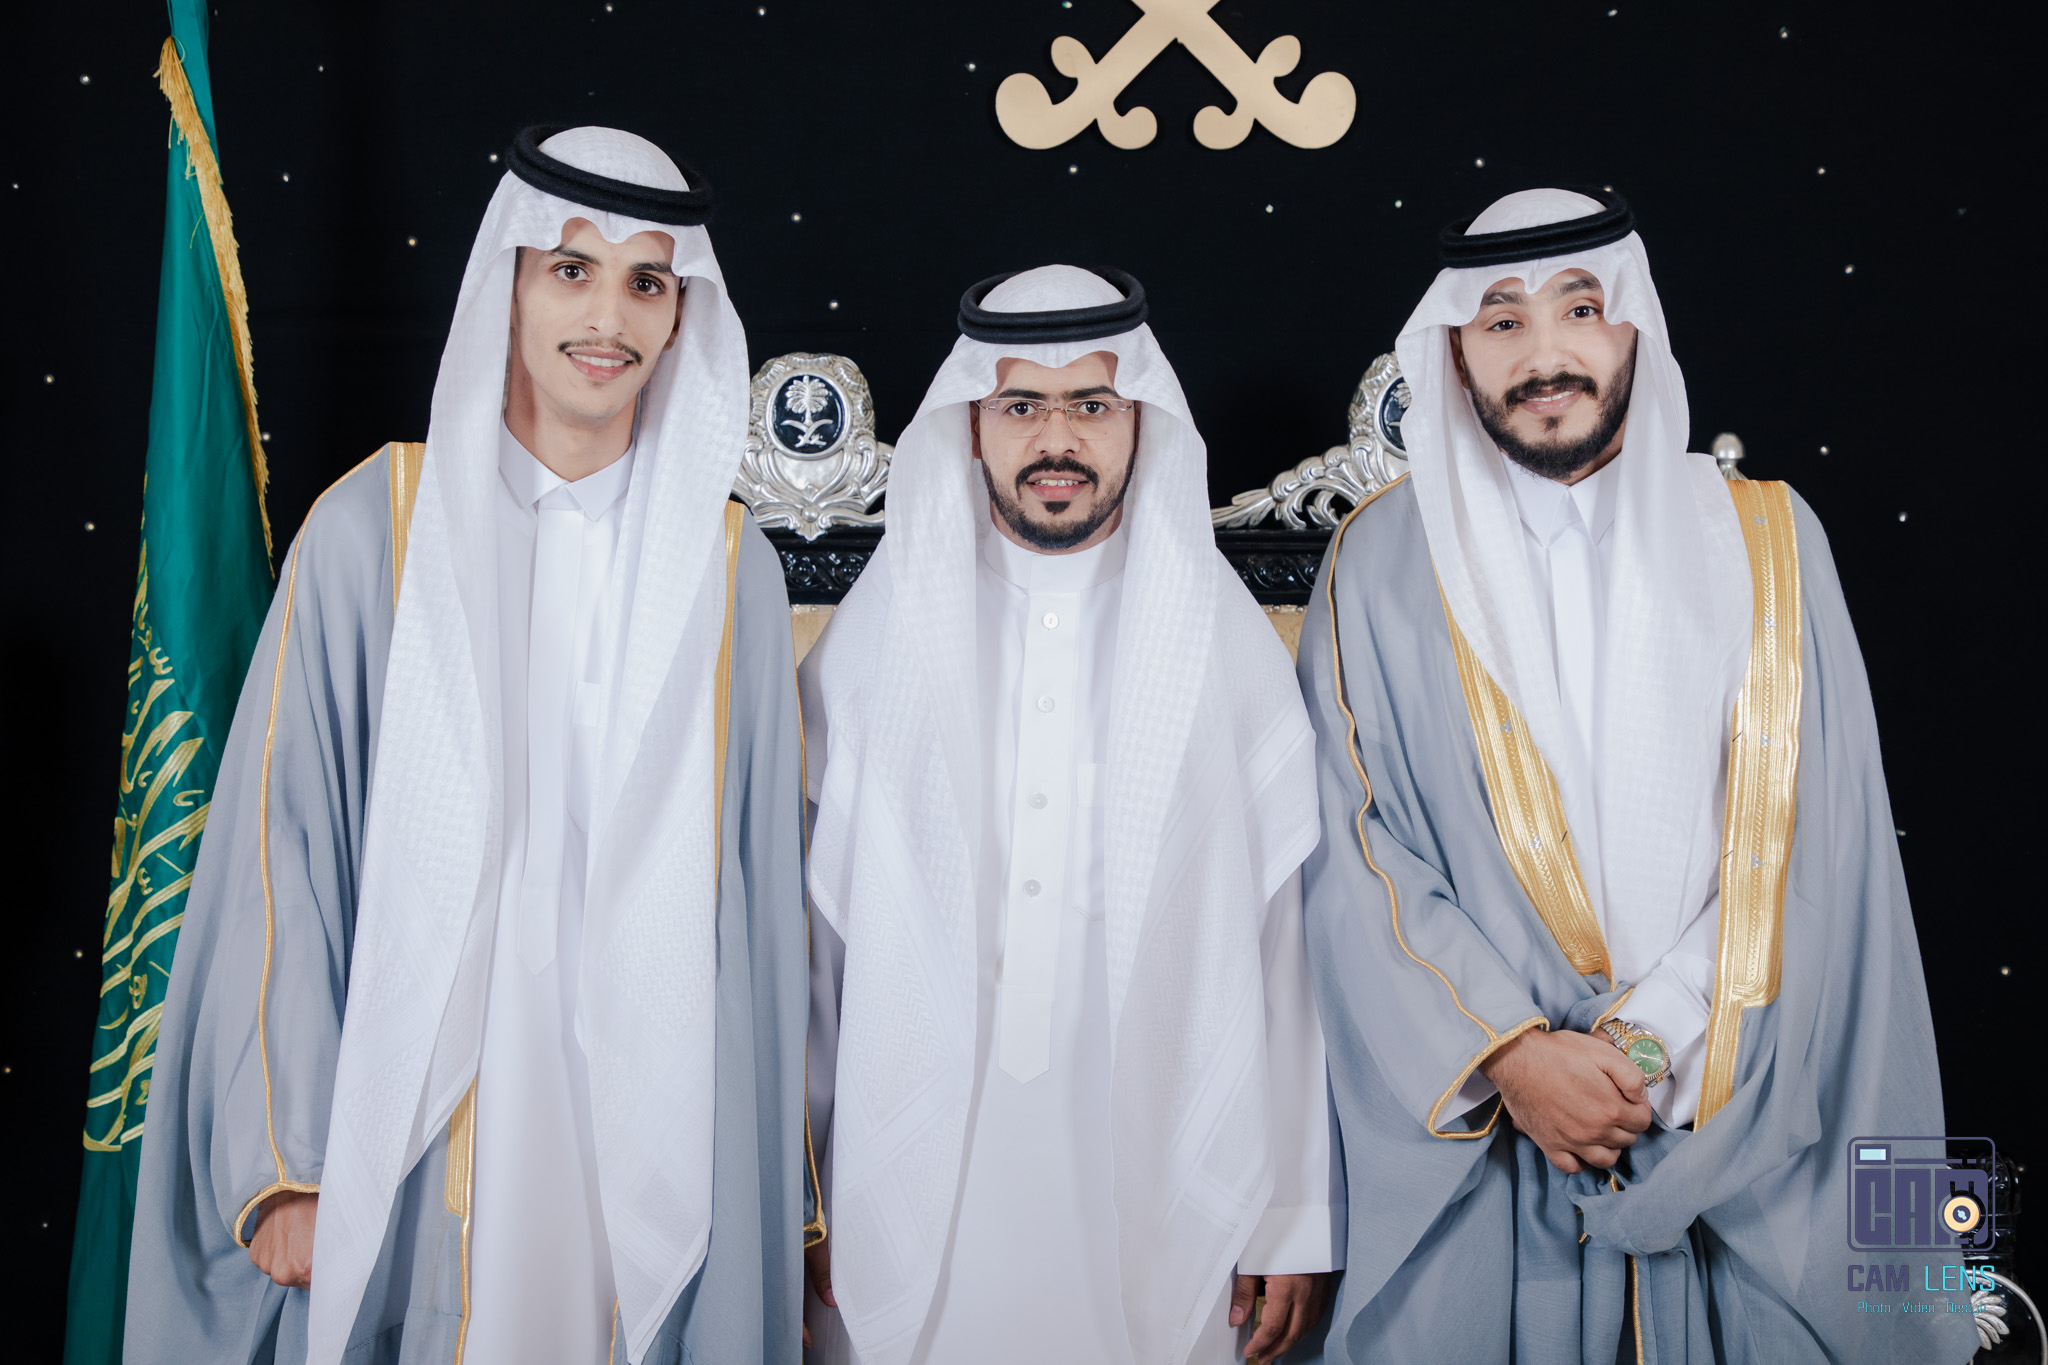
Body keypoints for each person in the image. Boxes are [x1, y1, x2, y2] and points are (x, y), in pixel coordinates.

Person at [125, 126, 812, 1365]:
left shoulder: (730, 573)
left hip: (645, 1111)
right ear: (507, 281)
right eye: (571, 270)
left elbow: (769, 910)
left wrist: (794, 1192)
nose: (607, 318)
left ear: (679, 321)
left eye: (646, 284)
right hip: (415, 1111)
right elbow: (284, 854)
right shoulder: (373, 529)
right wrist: (289, 1160)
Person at [1298, 188, 1973, 1362]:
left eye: (1579, 309)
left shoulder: (1768, 538)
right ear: (1452, 350)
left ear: (1634, 329)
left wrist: (1638, 1049)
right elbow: (1352, 852)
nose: (1542, 356)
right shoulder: (1381, 561)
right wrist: (1514, 1055)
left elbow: (1823, 851)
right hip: (1488, 1137)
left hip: (1745, 1110)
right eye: (1501, 321)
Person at [799, 266, 1343, 1365]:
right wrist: (805, 1195)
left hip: (1156, 1145)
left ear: (1141, 421)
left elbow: (1285, 947)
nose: (1058, 440)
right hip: (916, 1167)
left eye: (1091, 404)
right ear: (972, 425)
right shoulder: (883, 634)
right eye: (1022, 406)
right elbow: (816, 947)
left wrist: (1290, 1215)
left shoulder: (1217, 640)